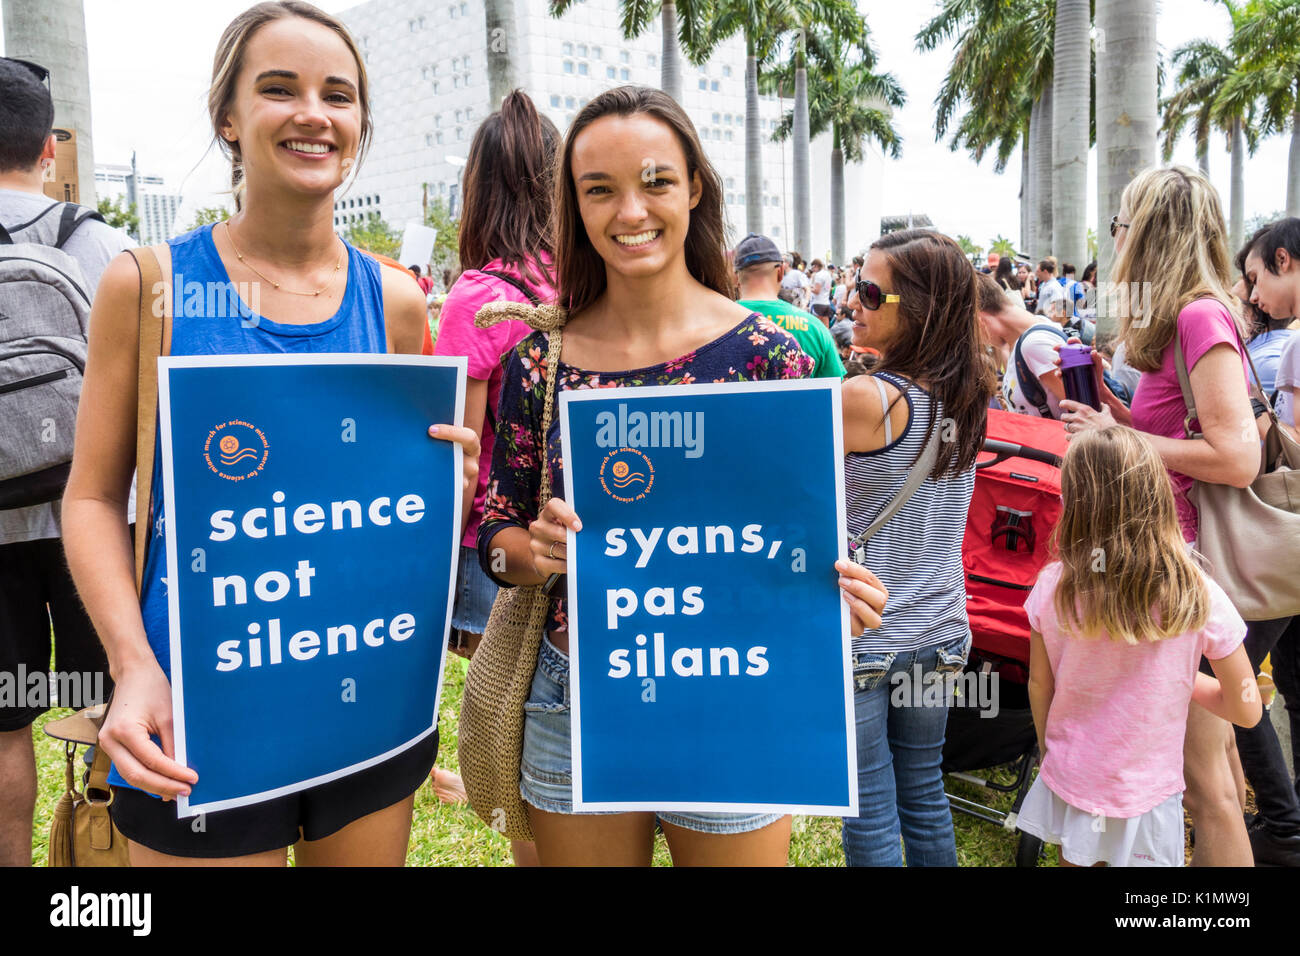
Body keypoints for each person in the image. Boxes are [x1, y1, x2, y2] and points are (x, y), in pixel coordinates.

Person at [59, 0, 479, 866]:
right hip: (196, 709)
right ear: (229, 118)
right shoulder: (152, 286)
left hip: (368, 695)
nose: (313, 114)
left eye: (339, 94)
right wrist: (133, 665)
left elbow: (400, 494)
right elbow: (95, 496)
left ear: (360, 121)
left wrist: (444, 489)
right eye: (279, 89)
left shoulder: (396, 298)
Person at [475, 85, 888, 866]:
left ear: (694, 188)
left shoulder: (776, 356)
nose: (630, 211)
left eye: (656, 181)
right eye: (600, 189)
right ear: (576, 205)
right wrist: (533, 552)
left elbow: (801, 536)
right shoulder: (540, 365)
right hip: (577, 700)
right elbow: (494, 547)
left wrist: (845, 588)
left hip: (738, 693)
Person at [1059, 166, 1272, 867]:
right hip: (1179, 567)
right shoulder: (1188, 316)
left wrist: (1115, 437)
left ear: (1150, 233)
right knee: (1212, 777)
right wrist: (1121, 414)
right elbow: (1191, 431)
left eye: (1121, 224)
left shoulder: (1197, 316)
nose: (1115, 239)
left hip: (1191, 568)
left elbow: (1236, 456)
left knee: (1203, 783)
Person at [0, 56, 135, 867]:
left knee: (5, 721)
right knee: (106, 703)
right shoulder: (106, 246)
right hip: (97, 526)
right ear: (48, 148)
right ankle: (104, 871)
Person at [1019, 426, 1260, 867]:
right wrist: (1180, 683)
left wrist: (1049, 746)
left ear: (1073, 501)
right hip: (1148, 790)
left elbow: (1039, 684)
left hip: (1073, 775)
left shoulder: (1052, 585)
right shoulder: (1196, 591)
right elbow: (1246, 709)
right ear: (1157, 492)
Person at [838, 229, 995, 866]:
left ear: (920, 308)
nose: (854, 302)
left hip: (867, 636)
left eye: (871, 292)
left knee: (870, 811)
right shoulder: (969, 393)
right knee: (925, 793)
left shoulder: (866, 401)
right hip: (940, 631)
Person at [733, 232, 844, 379]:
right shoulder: (815, 328)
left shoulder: (714, 323)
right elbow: (835, 390)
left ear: (736, 278)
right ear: (780, 273)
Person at [975, 272, 1070, 419]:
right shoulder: (1031, 331)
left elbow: (1083, 411)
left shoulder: (1034, 345)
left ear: (980, 319)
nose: (979, 340)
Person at [809, 258, 834, 324]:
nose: (812, 269)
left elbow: (817, 291)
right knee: (826, 327)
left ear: (816, 266)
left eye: (813, 267)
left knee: (817, 326)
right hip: (826, 303)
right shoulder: (827, 274)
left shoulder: (819, 275)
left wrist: (808, 288)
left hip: (818, 303)